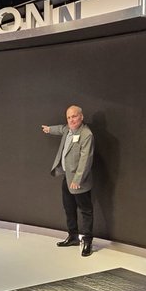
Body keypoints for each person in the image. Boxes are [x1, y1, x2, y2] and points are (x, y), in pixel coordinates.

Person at [41, 105, 94, 257]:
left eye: (74, 116)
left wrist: (77, 179)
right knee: (69, 208)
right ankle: (73, 237)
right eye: (69, 117)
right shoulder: (67, 130)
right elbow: (60, 128)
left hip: (79, 181)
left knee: (85, 211)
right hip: (67, 177)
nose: (71, 120)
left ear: (81, 117)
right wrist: (49, 129)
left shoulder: (86, 134)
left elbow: (86, 159)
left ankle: (87, 242)